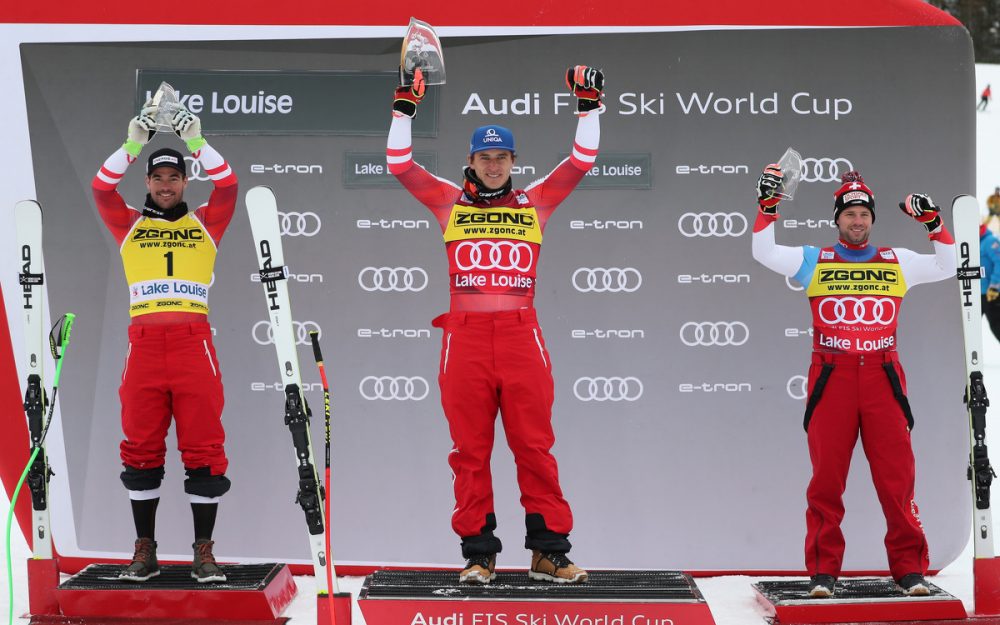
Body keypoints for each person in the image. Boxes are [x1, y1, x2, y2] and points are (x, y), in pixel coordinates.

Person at [386, 65, 603, 584]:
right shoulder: (448, 201)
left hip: (520, 336)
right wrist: (404, 109)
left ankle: (549, 551)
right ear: (471, 162)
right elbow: (399, 163)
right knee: (469, 450)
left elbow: (582, 160)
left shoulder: (535, 202)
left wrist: (590, 104)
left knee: (534, 445)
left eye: (501, 157)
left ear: (512, 162)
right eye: (484, 157)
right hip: (464, 339)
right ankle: (478, 554)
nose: (493, 165)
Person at [751, 165, 956, 598]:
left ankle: (909, 570)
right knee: (826, 480)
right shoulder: (814, 258)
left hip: (882, 376)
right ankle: (824, 573)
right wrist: (767, 207)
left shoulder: (896, 260)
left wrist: (934, 224)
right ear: (837, 220)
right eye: (849, 214)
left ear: (872, 219)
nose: (857, 221)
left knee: (897, 479)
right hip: (833, 376)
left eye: (863, 214)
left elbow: (949, 265)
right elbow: (763, 253)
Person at [91, 101, 238, 582]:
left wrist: (197, 142)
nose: (167, 185)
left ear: (184, 182)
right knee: (140, 446)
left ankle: (204, 551)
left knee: (204, 447)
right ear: (149, 182)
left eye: (175, 177)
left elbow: (229, 185)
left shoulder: (206, 223)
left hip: (194, 342)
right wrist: (133, 144)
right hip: (145, 345)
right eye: (159, 178)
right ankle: (144, 550)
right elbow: (100, 187)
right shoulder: (129, 222)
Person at [981, 220, 1000, 343]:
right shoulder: (974, 242)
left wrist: (994, 286)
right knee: (969, 327)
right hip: (976, 293)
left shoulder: (990, 241)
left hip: (990, 293)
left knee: (997, 325)